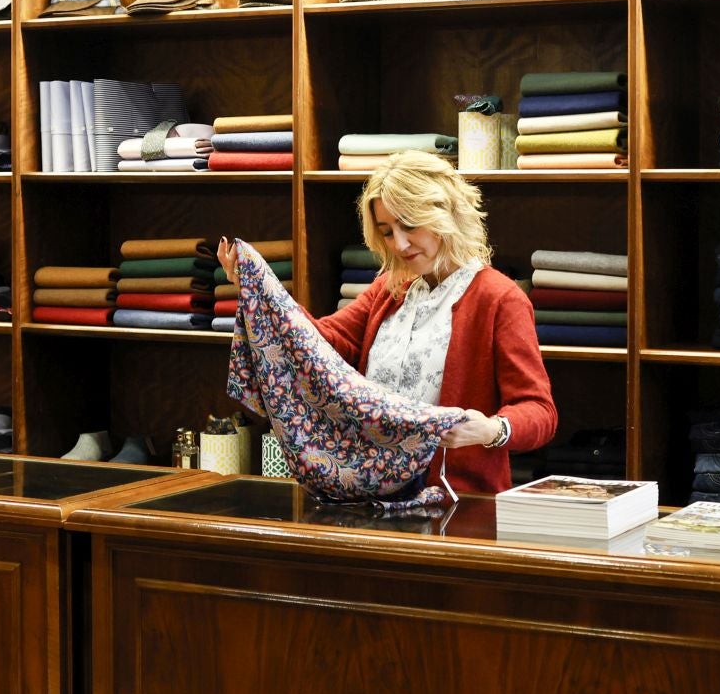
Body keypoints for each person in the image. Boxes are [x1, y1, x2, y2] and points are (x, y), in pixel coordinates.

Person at [218, 150, 556, 495]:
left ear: (445, 213)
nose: (400, 244)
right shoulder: (391, 289)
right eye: (387, 232)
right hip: (373, 497)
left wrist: (490, 429)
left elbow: (540, 410)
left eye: (409, 225)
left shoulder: (500, 299)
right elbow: (321, 341)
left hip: (458, 505)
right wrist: (259, 289)